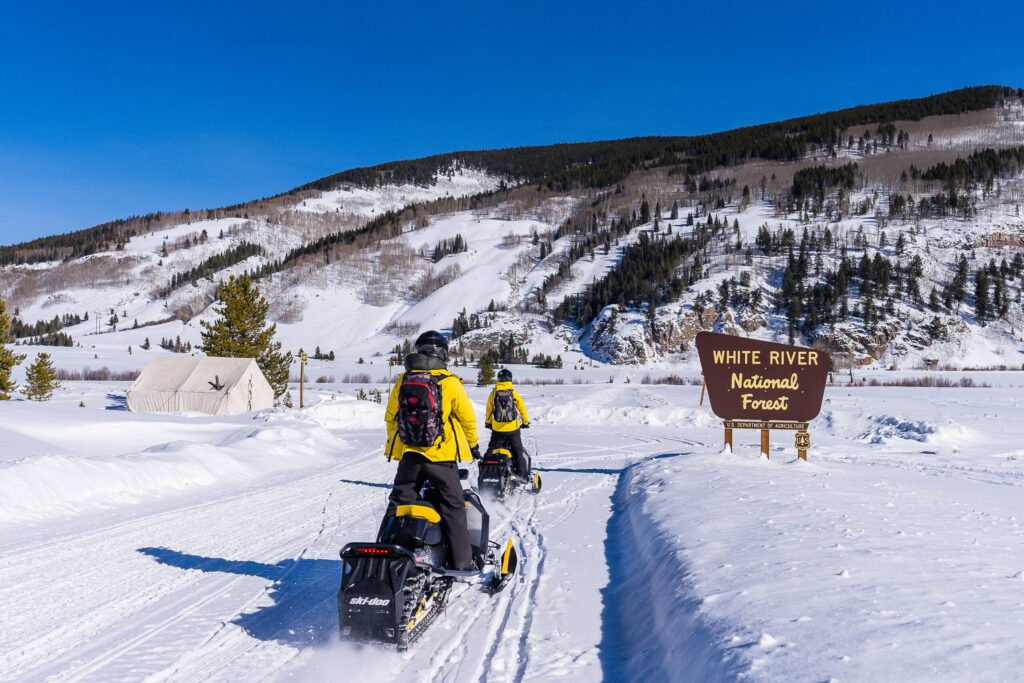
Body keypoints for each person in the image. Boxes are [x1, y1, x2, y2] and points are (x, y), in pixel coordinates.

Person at [383, 330, 481, 571]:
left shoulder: (403, 380)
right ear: (443, 354)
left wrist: (403, 444)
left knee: (398, 504)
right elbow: (467, 419)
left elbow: (391, 418)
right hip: (441, 458)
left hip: (410, 457)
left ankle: (383, 559)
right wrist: (473, 445)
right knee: (453, 507)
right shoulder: (449, 382)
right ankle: (462, 562)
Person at [484, 368, 530, 478]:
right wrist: (525, 422)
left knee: (492, 450)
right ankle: (521, 475)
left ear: (499, 379)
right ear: (510, 379)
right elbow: (522, 409)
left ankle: (486, 472)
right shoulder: (514, 393)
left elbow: (489, 410)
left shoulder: (493, 393)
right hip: (512, 429)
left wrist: (488, 423)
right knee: (518, 451)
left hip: (497, 430)